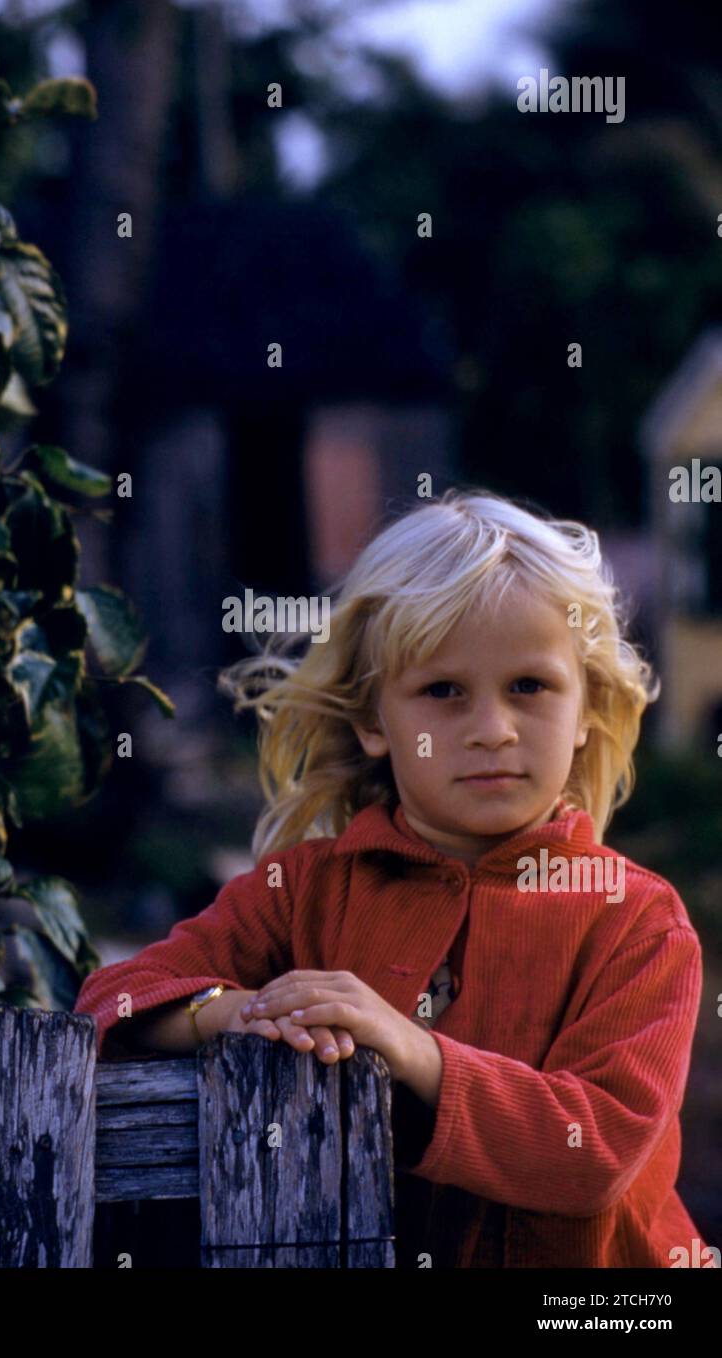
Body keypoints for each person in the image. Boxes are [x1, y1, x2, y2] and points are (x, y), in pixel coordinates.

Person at [74, 486, 716, 1269]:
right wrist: (237, 1014)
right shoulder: (303, 892)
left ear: (585, 709)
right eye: (443, 691)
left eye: (531, 687)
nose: (492, 730)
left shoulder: (638, 921)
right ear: (375, 721)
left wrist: (412, 1053)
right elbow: (116, 1000)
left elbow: (596, 1151)